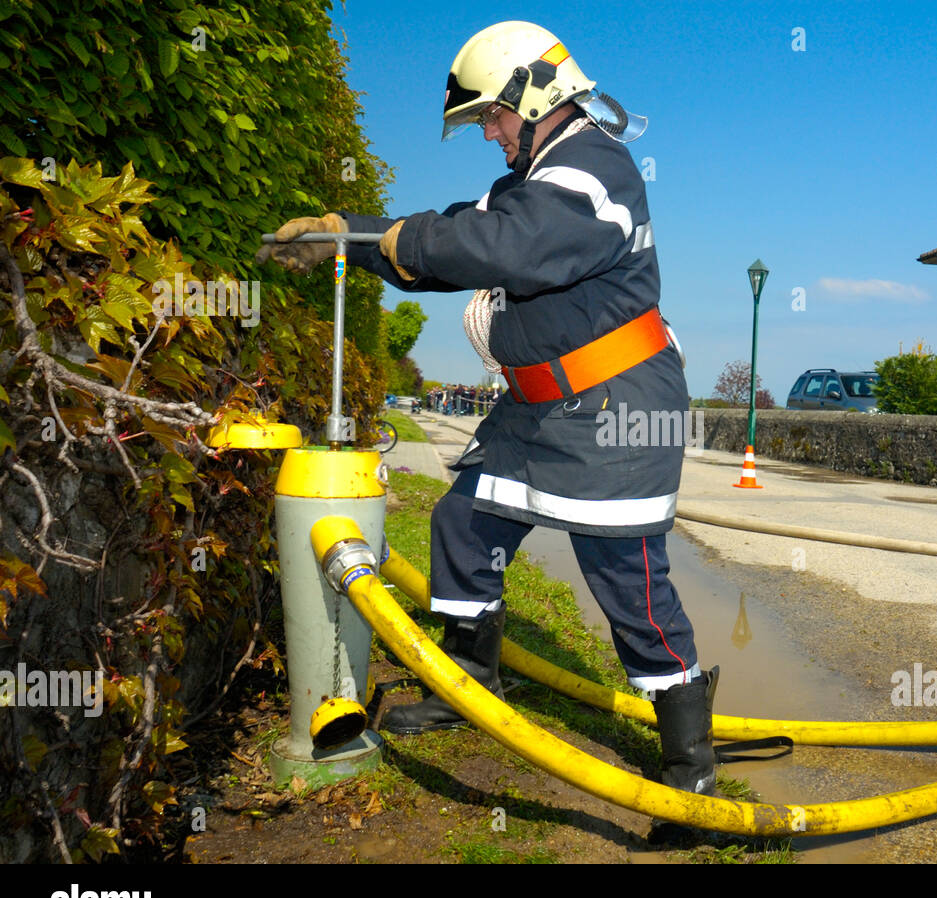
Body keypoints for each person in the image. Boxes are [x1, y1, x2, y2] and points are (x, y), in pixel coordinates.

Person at [257, 21, 718, 808]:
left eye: (493, 116)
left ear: (532, 96)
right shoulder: (534, 179)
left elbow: (504, 247)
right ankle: (469, 686)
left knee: (626, 579)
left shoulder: (593, 170)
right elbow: (456, 240)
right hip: (539, 408)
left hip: (617, 407)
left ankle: (689, 763)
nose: (491, 134)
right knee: (465, 526)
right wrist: (352, 239)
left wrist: (393, 236)